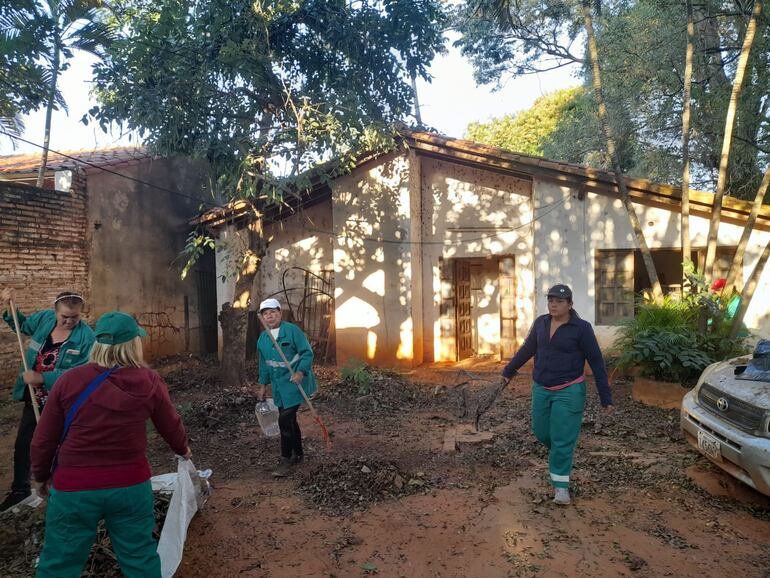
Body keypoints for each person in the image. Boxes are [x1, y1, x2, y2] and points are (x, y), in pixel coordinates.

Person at [30, 312, 191, 578]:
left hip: (74, 488)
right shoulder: (149, 381)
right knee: (140, 557)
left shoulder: (68, 380)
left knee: (59, 563)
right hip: (130, 486)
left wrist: (40, 476)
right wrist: (182, 449)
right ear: (133, 344)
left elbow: (44, 439)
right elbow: (170, 424)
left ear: (97, 342)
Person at [502, 284, 614, 506]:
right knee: (542, 431)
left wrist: (605, 396)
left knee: (562, 439)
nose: (554, 304)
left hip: (569, 389)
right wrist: (508, 371)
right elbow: (527, 349)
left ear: (570, 305)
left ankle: (561, 487)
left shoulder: (581, 328)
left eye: (559, 301)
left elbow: (596, 362)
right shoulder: (541, 323)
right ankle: (560, 455)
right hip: (542, 387)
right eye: (551, 300)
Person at [0, 288, 95, 512]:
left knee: (61, 443)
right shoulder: (43, 319)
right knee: (25, 442)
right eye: (64, 316)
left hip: (63, 401)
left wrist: (43, 377)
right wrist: (9, 306)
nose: (69, 321)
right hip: (34, 396)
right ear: (55, 311)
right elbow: (20, 325)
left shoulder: (86, 337)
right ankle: (20, 490)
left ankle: (63, 487)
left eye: (75, 317)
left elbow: (80, 375)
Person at [255, 298, 317, 478]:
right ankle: (298, 453)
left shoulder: (292, 331)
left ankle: (285, 459)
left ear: (280, 313)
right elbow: (264, 364)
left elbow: (307, 353)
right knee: (289, 420)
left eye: (273, 312)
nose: (270, 316)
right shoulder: (263, 339)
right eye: (266, 314)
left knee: (284, 420)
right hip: (278, 385)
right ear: (263, 317)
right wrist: (262, 385)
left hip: (295, 383)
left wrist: (300, 372)